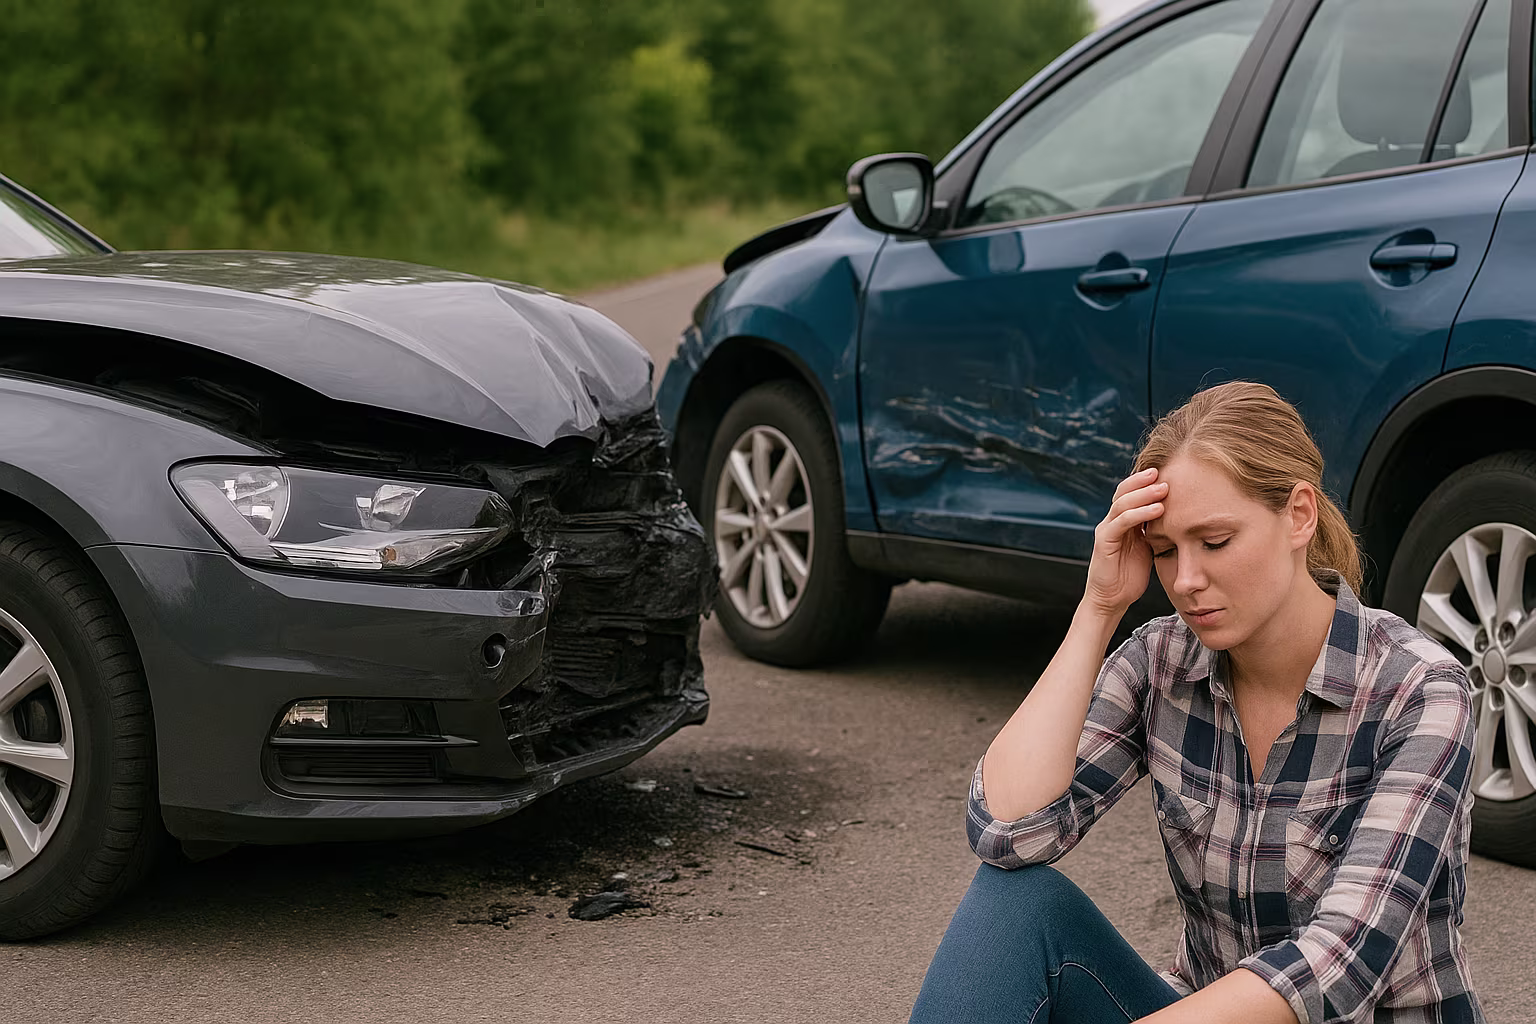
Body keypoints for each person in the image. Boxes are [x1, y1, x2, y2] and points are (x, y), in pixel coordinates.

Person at [909, 382, 1482, 1024]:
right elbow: (1010, 835)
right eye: (1163, 551)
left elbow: (1341, 961)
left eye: (1213, 542)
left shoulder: (1418, 687)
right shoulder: (1162, 662)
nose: (1185, 581)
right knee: (1014, 906)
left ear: (1299, 516)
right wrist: (1098, 609)